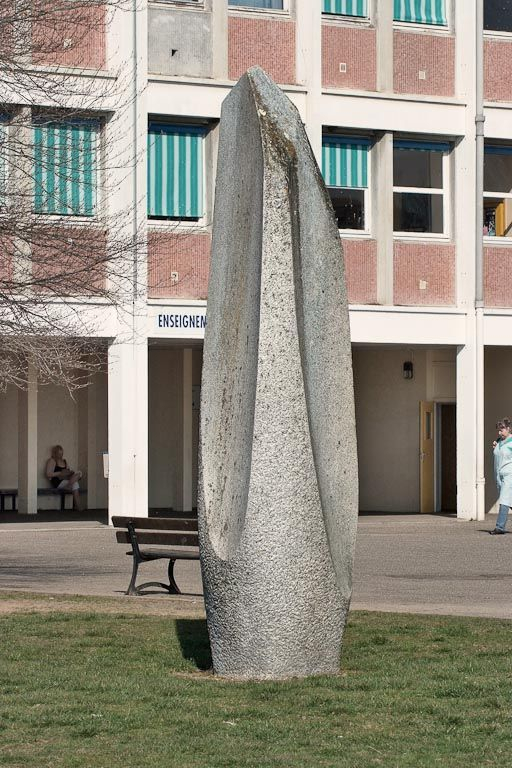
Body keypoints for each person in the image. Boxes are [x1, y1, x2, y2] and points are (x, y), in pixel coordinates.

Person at [490, 418, 512, 535]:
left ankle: (500, 527)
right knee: (509, 500)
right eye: (498, 430)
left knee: (504, 500)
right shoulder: (498, 441)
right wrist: (496, 446)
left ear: (508, 429)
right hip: (499, 475)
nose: (500, 432)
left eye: (502, 430)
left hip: (509, 474)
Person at [46, 445, 83, 512]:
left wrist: (70, 472)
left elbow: (68, 470)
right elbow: (48, 474)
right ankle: (79, 508)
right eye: (59, 454)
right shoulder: (52, 460)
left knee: (79, 473)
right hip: (58, 481)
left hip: (67, 480)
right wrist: (60, 473)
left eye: (62, 454)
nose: (60, 456)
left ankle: (68, 486)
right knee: (75, 484)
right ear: (55, 453)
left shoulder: (64, 461)